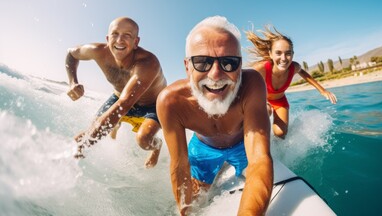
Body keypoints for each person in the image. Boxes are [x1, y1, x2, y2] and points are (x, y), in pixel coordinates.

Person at [156, 16, 273, 215]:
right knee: (195, 202)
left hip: (241, 145)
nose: (216, 75)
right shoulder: (171, 102)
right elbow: (180, 165)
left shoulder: (252, 83)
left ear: (240, 66)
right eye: (202, 62)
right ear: (187, 67)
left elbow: (259, 160)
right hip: (203, 149)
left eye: (229, 62)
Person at [65, 17, 167, 168]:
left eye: (127, 35)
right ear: (108, 38)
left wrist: (87, 141)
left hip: (152, 104)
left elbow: (124, 105)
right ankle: (114, 133)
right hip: (119, 97)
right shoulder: (97, 51)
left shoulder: (148, 63)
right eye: (115, 34)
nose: (119, 40)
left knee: (143, 140)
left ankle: (157, 146)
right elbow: (71, 54)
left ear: (136, 42)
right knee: (104, 126)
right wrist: (72, 82)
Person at [246, 26, 337, 139]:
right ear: (270, 54)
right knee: (267, 111)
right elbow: (242, 79)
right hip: (263, 100)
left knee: (281, 133)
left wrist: (322, 91)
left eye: (288, 53)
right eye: (278, 53)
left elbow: (304, 73)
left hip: (280, 101)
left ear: (293, 54)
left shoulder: (294, 67)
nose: (283, 58)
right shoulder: (262, 68)